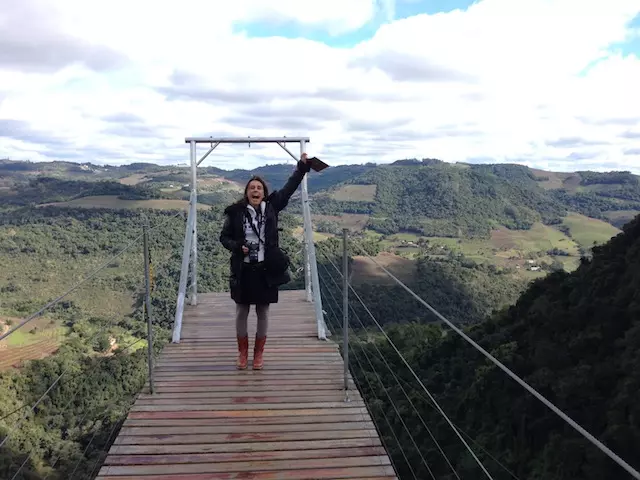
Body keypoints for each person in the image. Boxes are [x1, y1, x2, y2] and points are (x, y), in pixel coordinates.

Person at [219, 153, 312, 370]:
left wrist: (301, 167)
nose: (255, 190)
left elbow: (290, 187)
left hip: (265, 270)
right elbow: (224, 238)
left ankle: (258, 354)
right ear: (246, 192)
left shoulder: (272, 207)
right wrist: (237, 246)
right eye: (252, 187)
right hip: (243, 269)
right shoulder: (235, 213)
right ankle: (242, 354)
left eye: (259, 188)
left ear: (264, 193)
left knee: (263, 311)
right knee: (242, 311)